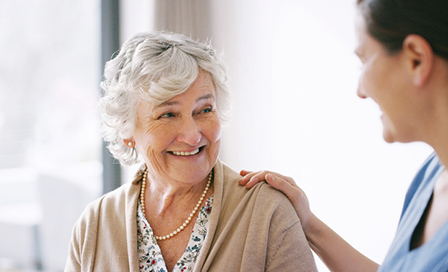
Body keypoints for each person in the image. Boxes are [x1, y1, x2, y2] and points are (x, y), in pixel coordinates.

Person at [64, 32, 317, 272]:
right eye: (168, 114)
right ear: (126, 129)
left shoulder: (267, 212)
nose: (192, 135)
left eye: (204, 110)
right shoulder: (94, 226)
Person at [239, 0, 448, 271]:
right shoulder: (429, 177)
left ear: (416, 59)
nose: (361, 89)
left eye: (364, 61)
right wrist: (309, 223)